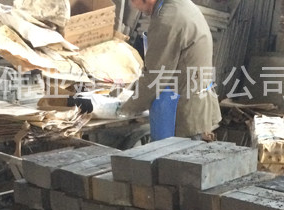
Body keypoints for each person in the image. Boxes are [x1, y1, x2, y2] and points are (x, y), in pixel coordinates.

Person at [74, 0, 221, 139]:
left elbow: (155, 76)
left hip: (184, 111)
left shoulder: (168, 20)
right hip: (196, 99)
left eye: (134, 0)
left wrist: (125, 109)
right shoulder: (179, 5)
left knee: (175, 155)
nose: (134, 6)